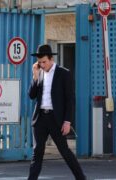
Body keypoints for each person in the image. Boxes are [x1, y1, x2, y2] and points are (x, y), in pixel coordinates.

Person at [27, 44, 86, 180]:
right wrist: (35, 77)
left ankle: (81, 178)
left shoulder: (64, 73)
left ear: (51, 59)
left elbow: (70, 99)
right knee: (37, 153)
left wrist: (67, 121)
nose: (42, 65)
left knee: (65, 152)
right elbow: (31, 95)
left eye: (44, 62)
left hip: (56, 119)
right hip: (40, 118)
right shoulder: (39, 73)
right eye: (39, 62)